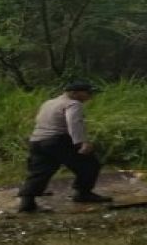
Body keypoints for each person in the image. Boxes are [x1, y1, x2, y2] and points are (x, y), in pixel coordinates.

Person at [17, 80, 111, 213]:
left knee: (40, 172)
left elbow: (38, 119)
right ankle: (83, 194)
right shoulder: (73, 104)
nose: (90, 96)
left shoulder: (49, 102)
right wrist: (82, 142)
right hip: (57, 140)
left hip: (37, 140)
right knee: (90, 164)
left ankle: (27, 203)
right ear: (74, 93)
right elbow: (74, 123)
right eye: (87, 93)